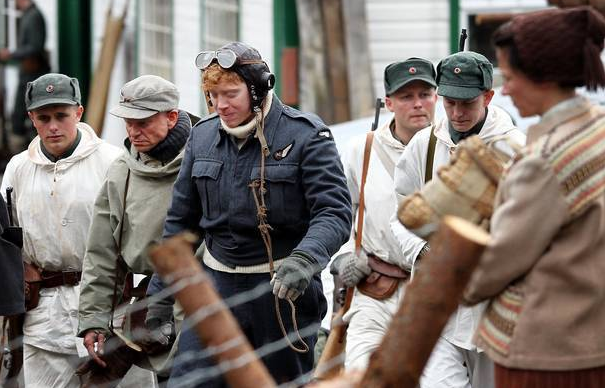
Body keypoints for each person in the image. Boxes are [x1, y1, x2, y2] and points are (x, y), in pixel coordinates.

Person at [146, 41, 352, 387]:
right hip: (216, 288)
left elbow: (334, 211)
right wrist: (159, 297)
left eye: (230, 93)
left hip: (282, 292)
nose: (220, 105)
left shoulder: (306, 136)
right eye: (212, 95)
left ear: (258, 88)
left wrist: (305, 258)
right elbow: (181, 223)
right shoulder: (202, 138)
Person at [463, 6, 605, 388]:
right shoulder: (597, 130)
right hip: (591, 335)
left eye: (509, 78)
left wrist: (451, 275)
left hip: (544, 352)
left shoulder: (546, 160)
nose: (504, 90)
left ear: (546, 77)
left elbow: (498, 260)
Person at [391, 51, 525, 388]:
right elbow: (400, 214)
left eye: (467, 103)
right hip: (437, 303)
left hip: (494, 308)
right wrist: (422, 252)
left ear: (488, 97)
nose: (457, 112)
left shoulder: (516, 149)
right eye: (450, 102)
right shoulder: (426, 144)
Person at [0, 73, 122, 388]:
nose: (53, 126)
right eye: (44, 118)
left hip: (107, 307)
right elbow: (7, 235)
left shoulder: (111, 162)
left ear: (78, 113)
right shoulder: (18, 168)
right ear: (31, 119)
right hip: (44, 313)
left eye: (61, 116)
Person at [77, 75, 194, 385]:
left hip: (206, 304)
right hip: (150, 312)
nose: (132, 131)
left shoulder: (206, 161)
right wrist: (94, 320)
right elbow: (102, 253)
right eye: (128, 122)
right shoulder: (121, 173)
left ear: (171, 117)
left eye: (142, 121)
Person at [331, 57, 438, 370]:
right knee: (362, 374)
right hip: (376, 289)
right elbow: (338, 215)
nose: (417, 104)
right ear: (389, 102)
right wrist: (345, 256)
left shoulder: (452, 147)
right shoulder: (359, 150)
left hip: (434, 291)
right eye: (406, 97)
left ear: (436, 98)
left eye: (425, 95)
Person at [0, 0, 50, 147]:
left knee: (26, 114)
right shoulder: (29, 15)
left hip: (34, 73)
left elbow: (35, 47)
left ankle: (31, 149)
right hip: (27, 72)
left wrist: (11, 53)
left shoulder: (34, 16)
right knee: (19, 115)